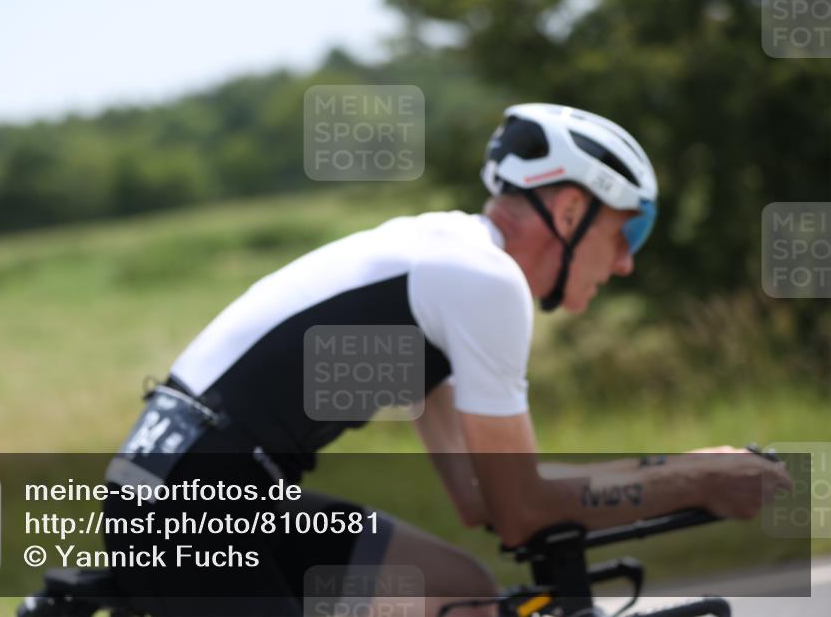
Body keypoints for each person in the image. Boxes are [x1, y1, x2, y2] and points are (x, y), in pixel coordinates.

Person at [103, 103, 789, 617]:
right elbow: (520, 510)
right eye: (628, 228)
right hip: (195, 501)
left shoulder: (447, 270)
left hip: (192, 483)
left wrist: (677, 474)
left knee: (458, 593)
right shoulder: (481, 278)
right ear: (573, 208)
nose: (628, 260)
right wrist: (692, 477)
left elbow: (482, 497)